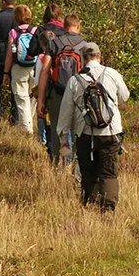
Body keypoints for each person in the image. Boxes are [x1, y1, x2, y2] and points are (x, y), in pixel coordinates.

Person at [58, 42, 130, 212]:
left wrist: (64, 138)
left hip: (85, 133)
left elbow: (66, 113)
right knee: (108, 172)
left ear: (82, 59)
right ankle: (108, 209)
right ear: (100, 56)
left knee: (88, 171)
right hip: (111, 132)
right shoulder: (112, 73)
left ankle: (89, 205)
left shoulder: (74, 80)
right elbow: (125, 97)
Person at [37, 12, 86, 169]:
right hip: (78, 96)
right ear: (78, 26)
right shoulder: (85, 46)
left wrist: (40, 99)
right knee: (78, 132)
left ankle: (57, 165)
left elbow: (45, 71)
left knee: (57, 129)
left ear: (64, 27)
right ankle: (76, 166)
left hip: (57, 94)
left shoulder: (54, 43)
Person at [2, 5, 38, 134]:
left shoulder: (13, 32)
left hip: (18, 68)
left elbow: (9, 55)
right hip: (34, 68)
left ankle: (27, 129)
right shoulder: (35, 30)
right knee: (32, 97)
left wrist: (6, 72)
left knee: (21, 98)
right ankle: (29, 123)